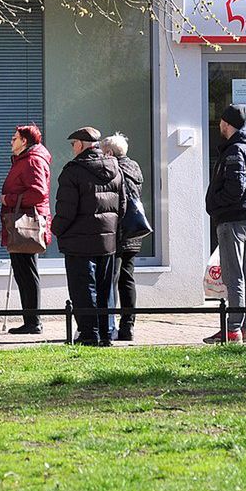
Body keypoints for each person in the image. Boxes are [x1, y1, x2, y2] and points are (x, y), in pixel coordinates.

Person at [52, 126, 124, 346]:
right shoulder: (115, 167)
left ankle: (88, 334)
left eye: (73, 144)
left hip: (79, 241)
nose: (72, 148)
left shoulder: (73, 170)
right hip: (107, 241)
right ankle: (105, 334)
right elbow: (123, 205)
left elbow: (66, 209)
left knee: (83, 289)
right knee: (104, 289)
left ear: (82, 145)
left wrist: (56, 229)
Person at [203, 105, 246, 344]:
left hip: (231, 221)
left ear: (226, 124)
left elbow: (234, 190)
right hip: (245, 219)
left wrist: (213, 205)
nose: (219, 125)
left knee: (234, 276)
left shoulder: (235, 151)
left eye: (221, 121)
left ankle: (232, 329)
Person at [0, 124, 52, 335]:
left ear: (24, 141)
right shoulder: (24, 159)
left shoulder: (32, 160)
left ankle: (33, 321)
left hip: (27, 224)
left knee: (27, 273)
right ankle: (30, 320)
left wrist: (9, 199)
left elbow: (39, 193)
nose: (11, 141)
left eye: (15, 138)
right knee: (23, 273)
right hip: (20, 221)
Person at [101, 132, 144, 342]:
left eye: (102, 151)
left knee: (112, 278)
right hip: (134, 232)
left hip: (118, 231)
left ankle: (109, 325)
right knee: (127, 279)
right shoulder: (134, 167)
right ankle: (128, 326)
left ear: (109, 152)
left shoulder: (114, 169)